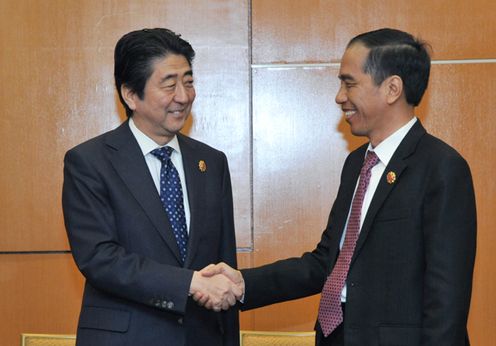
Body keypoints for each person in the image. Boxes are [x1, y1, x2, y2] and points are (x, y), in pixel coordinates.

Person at [199, 28, 477, 345]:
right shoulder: (357, 164)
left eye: (349, 83)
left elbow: (447, 299)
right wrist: (242, 283)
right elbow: (326, 263)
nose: (339, 96)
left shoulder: (441, 168)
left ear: (392, 88)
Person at [62, 28, 241, 346]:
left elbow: (224, 264)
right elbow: (99, 257)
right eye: (169, 85)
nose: (183, 97)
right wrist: (189, 283)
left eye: (188, 81)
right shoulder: (90, 162)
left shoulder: (211, 163)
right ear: (131, 94)